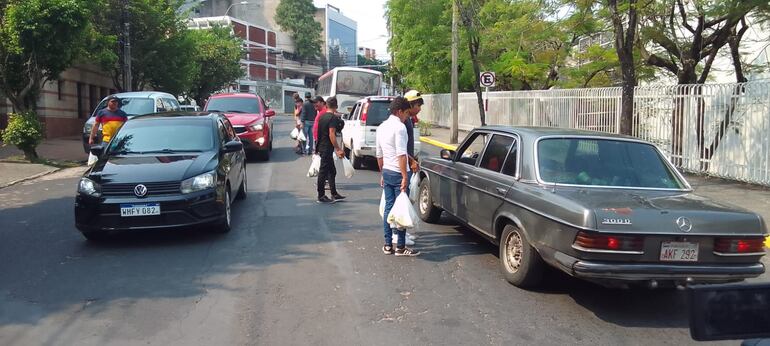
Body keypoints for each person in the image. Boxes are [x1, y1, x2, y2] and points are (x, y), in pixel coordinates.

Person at [376, 97, 420, 256]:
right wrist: (404, 177)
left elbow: (379, 155)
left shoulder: (381, 127)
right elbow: (402, 154)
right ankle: (400, 247)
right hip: (398, 172)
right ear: (399, 111)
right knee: (401, 209)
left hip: (387, 171)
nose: (407, 116)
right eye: (407, 113)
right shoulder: (400, 128)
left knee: (389, 208)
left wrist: (383, 173)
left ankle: (388, 245)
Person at [315, 96, 346, 203]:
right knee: (323, 172)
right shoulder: (332, 118)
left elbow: (318, 134)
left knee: (332, 171)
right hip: (327, 148)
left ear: (326, 105)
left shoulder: (322, 117)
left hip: (322, 147)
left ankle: (334, 193)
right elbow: (332, 134)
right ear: (336, 106)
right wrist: (338, 149)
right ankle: (321, 196)